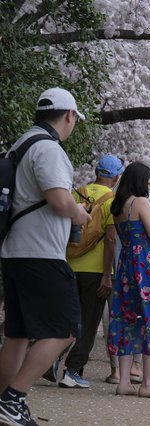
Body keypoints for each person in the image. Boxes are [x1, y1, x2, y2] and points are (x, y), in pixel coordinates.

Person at [0, 87, 91, 425]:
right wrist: (79, 213)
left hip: (15, 250)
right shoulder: (48, 149)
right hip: (41, 254)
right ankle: (13, 399)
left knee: (18, 334)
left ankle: (2, 401)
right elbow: (57, 199)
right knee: (66, 327)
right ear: (69, 116)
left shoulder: (20, 145)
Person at [54, 155, 124, 389]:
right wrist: (107, 274)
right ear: (115, 177)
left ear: (97, 172)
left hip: (68, 264)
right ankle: (72, 371)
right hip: (95, 271)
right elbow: (111, 239)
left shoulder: (77, 193)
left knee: (66, 318)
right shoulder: (113, 200)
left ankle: (49, 359)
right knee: (89, 322)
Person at [108, 162, 150, 399]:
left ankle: (123, 381)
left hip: (126, 263)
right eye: (148, 180)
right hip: (145, 264)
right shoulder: (140, 202)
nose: (149, 185)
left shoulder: (117, 206)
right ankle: (148, 383)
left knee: (126, 317)